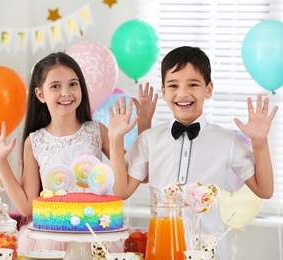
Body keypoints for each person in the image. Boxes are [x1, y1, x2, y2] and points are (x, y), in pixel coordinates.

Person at [108, 46, 278, 260]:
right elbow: (121, 191)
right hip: (162, 250)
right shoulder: (149, 139)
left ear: (208, 89)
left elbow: (265, 189)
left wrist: (260, 143)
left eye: (193, 84)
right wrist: (115, 140)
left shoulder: (226, 140)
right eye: (173, 85)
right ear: (163, 91)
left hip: (209, 253)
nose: (183, 93)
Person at [0, 52, 157, 253]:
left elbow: (140, 176)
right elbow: (26, 206)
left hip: (97, 236)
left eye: (73, 84)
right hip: (49, 241)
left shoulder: (97, 131)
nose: (66, 92)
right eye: (55, 86)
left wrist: (144, 123)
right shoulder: (35, 142)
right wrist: (0, 161)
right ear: (40, 94)